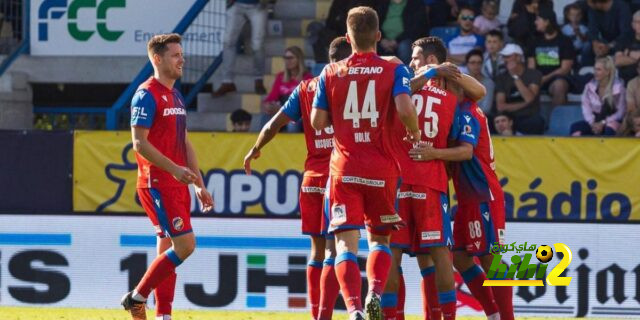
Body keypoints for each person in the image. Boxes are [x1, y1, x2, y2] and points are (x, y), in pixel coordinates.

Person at [310, 7, 421, 320]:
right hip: (382, 169)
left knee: (345, 245)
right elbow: (404, 107)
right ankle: (374, 292)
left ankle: (354, 309)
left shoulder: (330, 72)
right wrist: (413, 132)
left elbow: (318, 122)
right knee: (380, 239)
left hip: (344, 168)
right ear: (378, 36)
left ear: (347, 37)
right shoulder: (393, 69)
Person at [243, 36, 352, 320]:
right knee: (335, 250)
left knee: (316, 252)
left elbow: (272, 124)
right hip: (340, 178)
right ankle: (332, 313)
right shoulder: (354, 86)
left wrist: (255, 149)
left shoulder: (305, 88)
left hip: (312, 178)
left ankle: (316, 314)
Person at [121, 33, 214, 320]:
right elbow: (139, 143)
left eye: (181, 54)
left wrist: (199, 184)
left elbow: (184, 142)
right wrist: (175, 170)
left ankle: (164, 315)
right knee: (185, 245)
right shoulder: (146, 94)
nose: (182, 59)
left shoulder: (175, 95)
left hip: (176, 183)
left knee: (167, 248)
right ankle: (137, 296)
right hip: (158, 182)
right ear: (158, 59)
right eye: (175, 55)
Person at [409, 98, 514, 320]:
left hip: (482, 193)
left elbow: (466, 152)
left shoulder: (466, 111)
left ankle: (506, 316)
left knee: (489, 258)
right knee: (459, 257)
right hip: (467, 197)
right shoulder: (453, 110)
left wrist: (434, 153)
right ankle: (493, 313)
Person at [212, 0, 268, 97]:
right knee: (228, 41)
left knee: (257, 45)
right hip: (236, 4)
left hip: (258, 5)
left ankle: (258, 79)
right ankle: (227, 81)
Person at [527, 6, 575, 107]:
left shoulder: (565, 41)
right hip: (538, 79)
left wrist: (545, 78)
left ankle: (555, 120)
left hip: (556, 79)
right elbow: (531, 67)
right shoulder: (534, 41)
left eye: (538, 19)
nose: (535, 22)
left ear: (547, 21)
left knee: (560, 85)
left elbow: (565, 68)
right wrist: (537, 79)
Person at [495, 43, 546, 134]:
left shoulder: (534, 74)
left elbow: (529, 97)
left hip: (528, 116)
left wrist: (515, 76)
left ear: (518, 58)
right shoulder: (501, 77)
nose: (505, 60)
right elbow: (501, 106)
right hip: (508, 118)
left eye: (508, 56)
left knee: (537, 122)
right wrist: (525, 104)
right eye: (504, 57)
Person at [571, 56, 626, 135]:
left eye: (598, 70)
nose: (595, 72)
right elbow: (586, 108)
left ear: (607, 72)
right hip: (594, 121)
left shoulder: (619, 88)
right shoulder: (589, 87)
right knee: (575, 128)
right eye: (595, 69)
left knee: (609, 129)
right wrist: (592, 123)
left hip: (612, 120)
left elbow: (620, 113)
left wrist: (603, 122)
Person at [262, 46, 313, 128]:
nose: (287, 61)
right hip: (281, 111)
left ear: (298, 59)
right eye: (285, 58)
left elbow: (307, 102)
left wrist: (283, 109)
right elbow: (272, 96)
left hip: (298, 113)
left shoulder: (307, 78)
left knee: (292, 123)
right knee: (266, 117)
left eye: (290, 58)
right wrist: (268, 105)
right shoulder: (280, 77)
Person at [584, 0, 632, 66]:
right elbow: (592, 30)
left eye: (588, 2)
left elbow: (626, 33)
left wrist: (609, 46)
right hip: (604, 41)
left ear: (598, 3)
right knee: (587, 47)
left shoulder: (621, 7)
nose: (587, 4)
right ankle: (587, 72)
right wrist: (595, 43)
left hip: (622, 42)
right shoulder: (593, 10)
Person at [614, 10, 640, 83]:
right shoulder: (624, 39)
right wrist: (638, 58)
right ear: (632, 24)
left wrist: (628, 54)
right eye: (638, 22)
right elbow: (618, 61)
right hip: (625, 81)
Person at [466, 48, 495, 113]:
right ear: (467, 64)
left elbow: (486, 108)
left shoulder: (489, 83)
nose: (476, 66)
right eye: (473, 63)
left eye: (479, 63)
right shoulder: (461, 82)